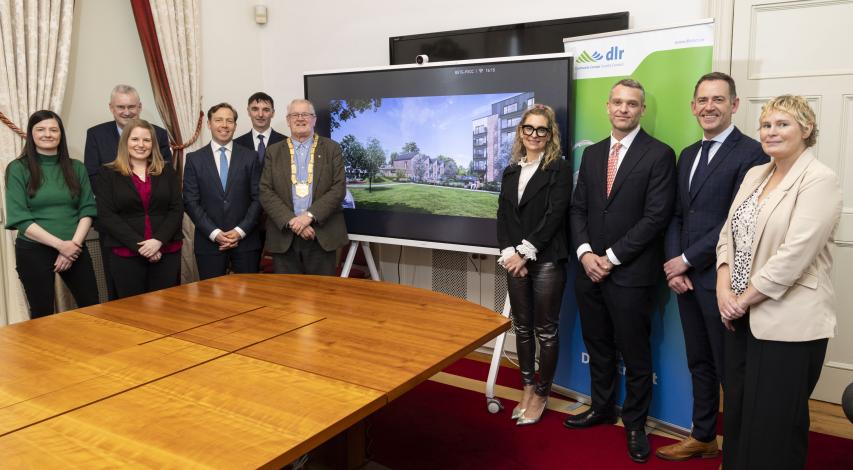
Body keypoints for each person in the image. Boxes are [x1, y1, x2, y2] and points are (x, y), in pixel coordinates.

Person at [715, 95, 841, 470]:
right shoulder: (757, 174)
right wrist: (724, 289)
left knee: (774, 423)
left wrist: (743, 299)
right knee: (737, 413)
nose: (771, 132)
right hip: (738, 315)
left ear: (806, 129)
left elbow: (794, 255)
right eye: (766, 125)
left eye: (782, 124)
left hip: (789, 321)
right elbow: (728, 236)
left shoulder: (821, 179)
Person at [656, 72, 769, 461]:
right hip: (686, 282)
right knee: (698, 362)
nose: (709, 107)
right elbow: (675, 215)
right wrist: (675, 267)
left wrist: (686, 260)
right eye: (702, 100)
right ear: (693, 107)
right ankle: (703, 436)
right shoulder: (687, 154)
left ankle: (737, 451)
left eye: (718, 100)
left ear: (734, 105)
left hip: (722, 282)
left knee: (730, 372)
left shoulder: (752, 153)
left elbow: (735, 221)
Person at [566, 78, 676, 463]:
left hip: (630, 274)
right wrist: (584, 254)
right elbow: (578, 208)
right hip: (588, 270)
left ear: (642, 109)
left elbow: (656, 217)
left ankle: (634, 424)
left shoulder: (660, 154)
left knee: (636, 353)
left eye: (632, 103)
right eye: (618, 102)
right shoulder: (593, 154)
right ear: (607, 107)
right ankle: (601, 407)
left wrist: (610, 258)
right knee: (597, 344)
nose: (624, 109)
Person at [496, 104, 572, 425]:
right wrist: (510, 252)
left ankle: (541, 393)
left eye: (542, 130)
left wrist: (525, 253)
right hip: (515, 260)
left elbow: (555, 216)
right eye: (529, 128)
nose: (535, 135)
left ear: (550, 134)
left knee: (546, 330)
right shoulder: (511, 170)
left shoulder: (559, 168)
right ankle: (527, 387)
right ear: (520, 132)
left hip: (548, 260)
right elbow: (504, 215)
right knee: (522, 327)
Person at [4, 110, 99, 318]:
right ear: (31, 134)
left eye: (53, 129)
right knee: (42, 313)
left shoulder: (77, 167)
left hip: (75, 247)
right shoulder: (17, 169)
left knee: (93, 307)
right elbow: (19, 217)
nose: (48, 134)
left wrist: (72, 246)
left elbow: (87, 209)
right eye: (41, 129)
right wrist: (60, 245)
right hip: (34, 250)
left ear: (60, 134)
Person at [84, 84, 172, 300]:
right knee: (121, 297)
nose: (126, 112)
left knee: (166, 300)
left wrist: (157, 240)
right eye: (120, 107)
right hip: (117, 229)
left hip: (159, 232)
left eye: (131, 106)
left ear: (140, 107)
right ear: (111, 108)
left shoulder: (158, 134)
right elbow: (93, 176)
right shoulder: (96, 134)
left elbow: (165, 180)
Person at [95, 119, 183, 298]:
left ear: (153, 144)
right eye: (135, 139)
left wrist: (158, 241)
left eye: (147, 140)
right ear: (125, 142)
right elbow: (107, 215)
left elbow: (176, 209)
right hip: (126, 253)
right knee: (133, 312)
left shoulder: (167, 171)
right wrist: (141, 247)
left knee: (168, 308)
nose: (141, 145)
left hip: (166, 250)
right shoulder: (108, 173)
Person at [259, 99, 348, 275]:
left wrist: (308, 217)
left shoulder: (332, 149)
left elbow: (338, 189)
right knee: (287, 297)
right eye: (295, 115)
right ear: (288, 120)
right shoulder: (273, 152)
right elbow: (265, 191)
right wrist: (293, 222)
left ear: (314, 119)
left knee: (322, 296)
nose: (300, 119)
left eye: (305, 114)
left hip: (321, 236)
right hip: (284, 236)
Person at [183, 103, 262, 279]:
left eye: (229, 121)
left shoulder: (250, 157)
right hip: (209, 242)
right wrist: (215, 233)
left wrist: (240, 231)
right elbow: (190, 201)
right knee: (212, 300)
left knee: (251, 296)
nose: (224, 125)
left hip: (246, 242)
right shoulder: (194, 159)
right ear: (209, 124)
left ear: (235, 125)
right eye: (218, 120)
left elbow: (259, 198)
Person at [233, 92, 286, 163]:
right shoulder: (236, 144)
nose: (260, 114)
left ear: (272, 113)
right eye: (255, 109)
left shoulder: (286, 142)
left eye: (266, 110)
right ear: (248, 112)